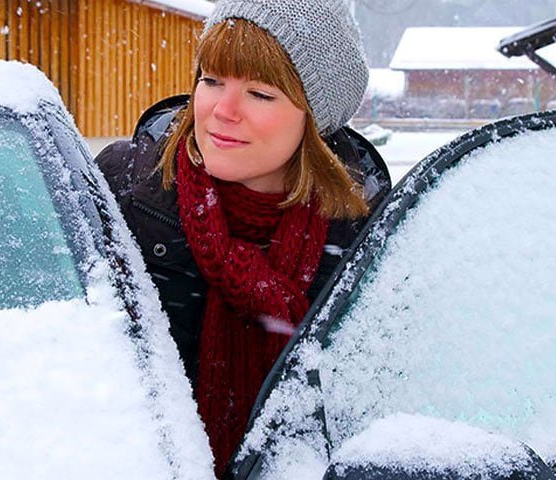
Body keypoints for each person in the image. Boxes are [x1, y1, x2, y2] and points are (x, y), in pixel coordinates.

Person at [95, 0, 389, 474]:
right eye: (211, 80)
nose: (222, 111)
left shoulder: (363, 230)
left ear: (315, 118)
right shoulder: (128, 187)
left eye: (260, 93)